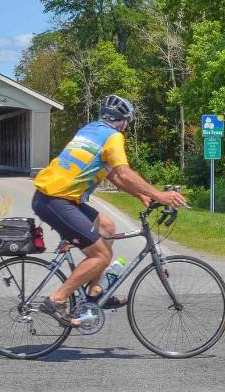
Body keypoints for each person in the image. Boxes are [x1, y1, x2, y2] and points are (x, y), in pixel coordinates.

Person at [32, 94, 186, 327]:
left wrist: (142, 195)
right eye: (127, 122)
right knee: (100, 255)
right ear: (123, 122)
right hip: (56, 200)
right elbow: (123, 173)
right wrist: (159, 195)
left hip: (55, 197)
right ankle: (57, 299)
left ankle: (94, 291)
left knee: (107, 227)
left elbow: (113, 175)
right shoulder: (114, 137)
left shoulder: (90, 129)